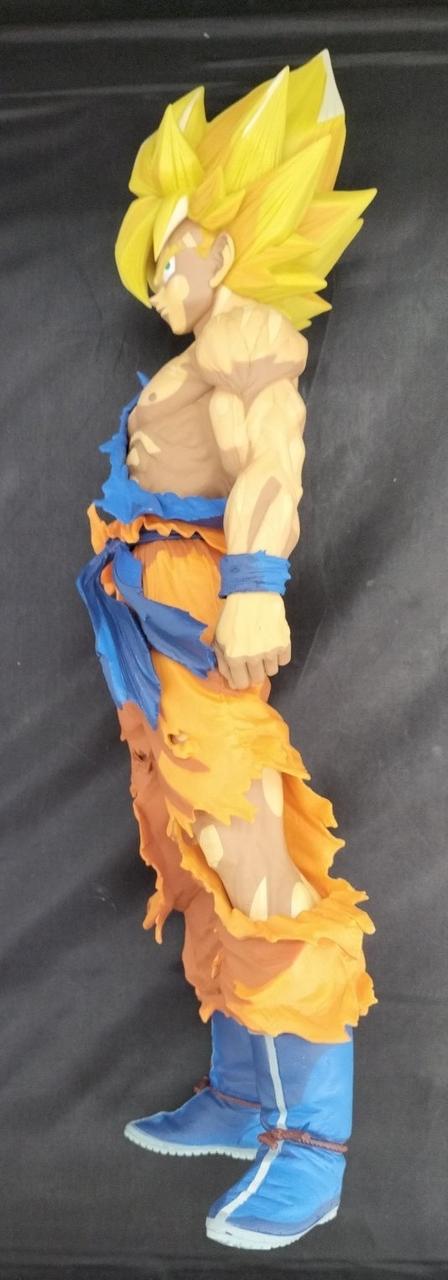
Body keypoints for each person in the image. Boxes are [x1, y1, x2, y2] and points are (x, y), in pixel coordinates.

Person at [77, 48, 377, 1251]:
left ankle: (312, 1146)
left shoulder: (245, 331)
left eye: (173, 250)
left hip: (202, 629)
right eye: (152, 259)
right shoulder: (200, 347)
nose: (161, 277)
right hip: (153, 645)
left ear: (225, 235)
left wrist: (254, 586)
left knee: (251, 853)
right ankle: (247, 1094)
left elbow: (271, 456)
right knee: (201, 853)